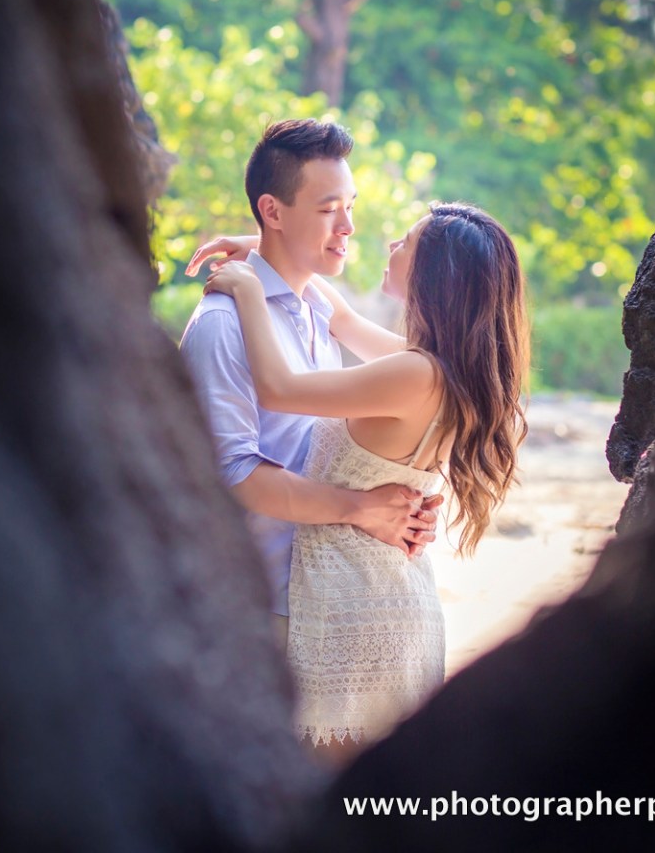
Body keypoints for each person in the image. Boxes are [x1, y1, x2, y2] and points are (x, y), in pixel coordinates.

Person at [195, 201, 530, 765]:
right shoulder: (436, 368)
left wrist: (250, 291)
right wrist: (266, 248)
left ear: (434, 275)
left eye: (407, 243)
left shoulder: (414, 374)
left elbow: (278, 388)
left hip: (350, 613)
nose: (391, 245)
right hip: (389, 600)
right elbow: (342, 319)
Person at [175, 119, 442, 672]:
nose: (348, 226)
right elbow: (232, 473)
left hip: (330, 598)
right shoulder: (224, 325)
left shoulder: (319, 310)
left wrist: (404, 506)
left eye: (350, 205)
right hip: (262, 607)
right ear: (273, 211)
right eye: (328, 210)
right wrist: (365, 508)